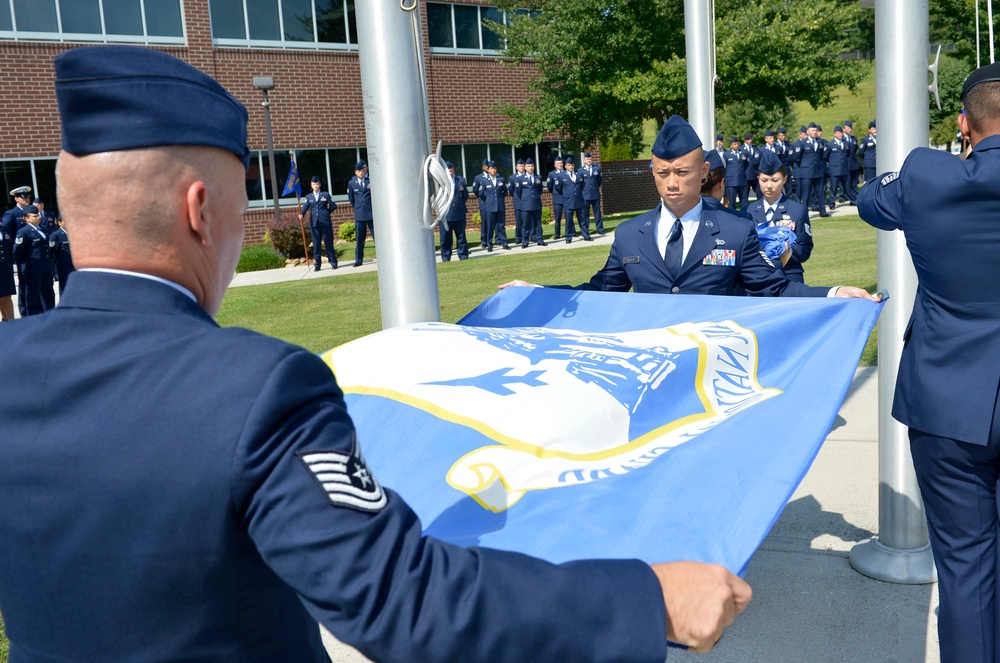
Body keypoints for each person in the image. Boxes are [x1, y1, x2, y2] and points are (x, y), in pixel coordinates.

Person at [0, 45, 753, 662]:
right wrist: (648, 596)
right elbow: (403, 600)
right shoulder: (256, 390)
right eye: (238, 205)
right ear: (201, 211)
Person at [857, 62, 1000, 663]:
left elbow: (869, 202)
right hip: (950, 403)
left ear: (964, 123)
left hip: (948, 400)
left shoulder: (925, 175)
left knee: (966, 571)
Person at [501, 116, 879, 300]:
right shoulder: (630, 235)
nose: (672, 182)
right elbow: (600, 293)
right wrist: (537, 292)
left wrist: (834, 294)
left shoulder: (735, 229)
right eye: (662, 172)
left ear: (702, 172)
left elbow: (774, 290)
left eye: (682, 172)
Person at [746, 150, 812, 283]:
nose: (769, 186)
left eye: (774, 180)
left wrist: (784, 251)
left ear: (784, 180)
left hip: (789, 275)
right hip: (758, 277)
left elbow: (805, 249)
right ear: (758, 179)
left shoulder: (797, 210)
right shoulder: (748, 211)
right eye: (764, 180)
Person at [12, 204, 55, 315]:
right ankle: (33, 320)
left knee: (48, 294)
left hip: (45, 267)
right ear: (26, 218)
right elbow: (17, 251)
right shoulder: (24, 232)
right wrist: (26, 262)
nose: (38, 218)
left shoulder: (43, 230)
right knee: (32, 296)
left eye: (38, 215)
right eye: (34, 216)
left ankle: (49, 316)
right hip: (32, 269)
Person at [3, 185, 33, 316]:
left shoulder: (32, 212)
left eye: (28, 196)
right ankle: (24, 311)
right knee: (24, 286)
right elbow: (5, 235)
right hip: (21, 255)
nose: (27, 199)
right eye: (23, 197)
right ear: (16, 199)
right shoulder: (12, 214)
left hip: (33, 255)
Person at [300, 175, 338, 271]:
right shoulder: (309, 197)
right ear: (311, 185)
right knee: (316, 245)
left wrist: (326, 212)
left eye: (317, 184)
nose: (316, 186)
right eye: (314, 184)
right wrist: (301, 214)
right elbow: (305, 207)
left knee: (328, 243)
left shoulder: (325, 195)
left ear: (320, 185)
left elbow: (333, 205)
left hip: (325, 223)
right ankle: (317, 265)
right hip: (314, 224)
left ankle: (333, 262)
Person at [439, 161, 469, 261]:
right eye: (447, 171)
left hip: (459, 213)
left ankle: (463, 255)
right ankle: (446, 257)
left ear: (453, 170)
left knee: (461, 236)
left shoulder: (461, 180)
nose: (449, 173)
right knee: (445, 238)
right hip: (445, 214)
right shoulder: (440, 181)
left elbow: (465, 196)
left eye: (451, 171)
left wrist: (457, 205)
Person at [477, 160, 509, 252]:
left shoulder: (501, 180)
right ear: (488, 170)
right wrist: (488, 199)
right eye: (491, 169)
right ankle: (489, 244)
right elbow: (480, 193)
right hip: (490, 207)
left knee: (501, 226)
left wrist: (499, 199)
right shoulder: (484, 181)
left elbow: (505, 191)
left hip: (500, 206)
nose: (493, 170)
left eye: (495, 168)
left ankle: (504, 243)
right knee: (490, 226)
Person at [346, 161, 373, 267]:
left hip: (370, 212)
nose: (361, 173)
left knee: (376, 236)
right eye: (358, 171)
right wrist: (358, 208)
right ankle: (358, 259)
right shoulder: (352, 183)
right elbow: (351, 199)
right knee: (360, 239)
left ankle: (382, 257)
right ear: (355, 172)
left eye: (362, 171)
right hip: (360, 214)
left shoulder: (370, 181)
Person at [561, 156, 592, 243]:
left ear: (574, 165)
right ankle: (568, 238)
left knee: (582, 220)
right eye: (568, 165)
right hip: (568, 201)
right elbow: (559, 188)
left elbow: (582, 186)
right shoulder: (562, 175)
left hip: (578, 201)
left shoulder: (579, 175)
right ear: (565, 166)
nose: (570, 167)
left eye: (572, 165)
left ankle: (586, 235)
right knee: (569, 221)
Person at [518, 158, 547, 248]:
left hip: (536, 203)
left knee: (538, 223)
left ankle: (539, 239)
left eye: (532, 166)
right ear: (525, 168)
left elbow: (540, 190)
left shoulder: (538, 177)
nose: (530, 168)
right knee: (525, 224)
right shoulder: (521, 178)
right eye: (528, 166)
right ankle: (525, 241)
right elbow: (518, 192)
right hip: (526, 204)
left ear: (534, 167)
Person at [825, 126, 852, 209]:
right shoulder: (830, 144)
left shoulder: (845, 143)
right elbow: (825, 156)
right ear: (835, 134)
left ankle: (853, 200)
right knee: (833, 187)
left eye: (841, 133)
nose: (841, 134)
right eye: (839, 133)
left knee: (847, 185)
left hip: (844, 168)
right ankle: (832, 203)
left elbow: (848, 154)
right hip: (835, 169)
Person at [48, 214, 75, 295]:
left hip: (73, 266)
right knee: (65, 290)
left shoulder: (73, 233)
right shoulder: (56, 235)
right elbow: (53, 253)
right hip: (63, 267)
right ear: (59, 222)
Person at [723, 136, 749, 210]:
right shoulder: (726, 154)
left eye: (737, 144)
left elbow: (746, 165)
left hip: (742, 181)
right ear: (731, 145)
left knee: (744, 202)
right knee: (732, 203)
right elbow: (724, 166)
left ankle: (746, 216)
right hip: (731, 182)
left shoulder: (743, 153)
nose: (737, 145)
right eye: (734, 144)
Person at [582, 151, 604, 235]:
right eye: (587, 159)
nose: (589, 160)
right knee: (585, 214)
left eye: (590, 159)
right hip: (585, 195)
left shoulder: (596, 169)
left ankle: (600, 229)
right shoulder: (581, 170)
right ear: (584, 160)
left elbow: (599, 181)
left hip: (595, 194)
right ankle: (586, 230)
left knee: (597, 212)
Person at [546, 155, 566, 239]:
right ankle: (557, 234)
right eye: (558, 163)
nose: (560, 165)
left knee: (568, 217)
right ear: (555, 165)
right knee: (557, 218)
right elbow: (549, 186)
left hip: (567, 197)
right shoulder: (551, 174)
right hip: (557, 198)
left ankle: (571, 232)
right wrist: (555, 193)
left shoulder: (566, 172)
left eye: (561, 163)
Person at [473, 158, 490, 247]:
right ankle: (484, 241)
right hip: (483, 202)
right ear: (482, 167)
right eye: (485, 166)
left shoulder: (496, 176)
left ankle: (498, 239)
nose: (487, 168)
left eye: (488, 166)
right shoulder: (478, 177)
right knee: (485, 222)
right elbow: (475, 190)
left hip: (493, 203)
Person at [842, 120, 860, 201]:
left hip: (853, 163)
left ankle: (856, 196)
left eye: (851, 128)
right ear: (844, 129)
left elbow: (855, 149)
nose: (850, 130)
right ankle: (850, 198)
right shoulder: (842, 139)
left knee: (854, 182)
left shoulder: (853, 138)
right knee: (848, 182)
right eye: (848, 128)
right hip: (846, 164)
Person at [741, 133, 761, 200]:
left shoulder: (756, 149)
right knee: (745, 194)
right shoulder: (741, 149)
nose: (750, 141)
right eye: (748, 139)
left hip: (755, 174)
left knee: (759, 192)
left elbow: (758, 159)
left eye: (751, 139)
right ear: (745, 140)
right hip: (746, 175)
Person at [510, 158, 525, 245]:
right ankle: (518, 237)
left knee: (527, 220)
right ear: (516, 167)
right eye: (520, 166)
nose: (521, 168)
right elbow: (511, 190)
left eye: (523, 166)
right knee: (519, 220)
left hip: (527, 201)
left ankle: (529, 236)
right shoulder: (513, 177)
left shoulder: (527, 176)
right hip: (518, 201)